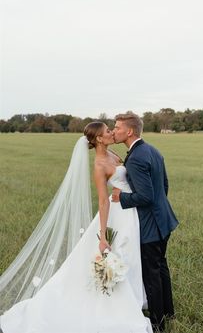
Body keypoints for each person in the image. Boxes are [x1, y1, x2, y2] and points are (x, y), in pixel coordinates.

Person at [0, 122, 152, 333]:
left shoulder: (113, 153)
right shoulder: (99, 165)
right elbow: (102, 201)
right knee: (122, 255)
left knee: (130, 256)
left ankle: (134, 299)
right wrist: (102, 236)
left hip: (129, 208)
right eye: (108, 131)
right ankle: (122, 306)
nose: (111, 133)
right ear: (99, 138)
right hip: (117, 213)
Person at [112, 113, 179, 332]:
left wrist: (120, 197)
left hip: (151, 225)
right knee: (161, 266)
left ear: (129, 131)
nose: (114, 131)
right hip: (164, 219)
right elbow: (164, 186)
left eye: (117, 127)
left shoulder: (138, 157)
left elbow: (146, 196)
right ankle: (169, 312)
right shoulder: (152, 150)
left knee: (151, 273)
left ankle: (157, 323)